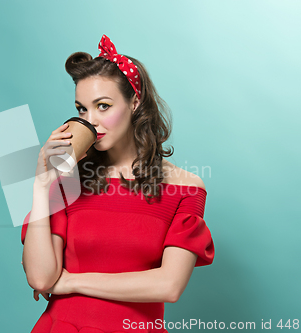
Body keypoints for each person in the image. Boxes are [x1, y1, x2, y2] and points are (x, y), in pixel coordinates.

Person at [20, 34, 215, 333]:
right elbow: (41, 279)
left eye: (103, 106)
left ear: (134, 102)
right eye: (82, 109)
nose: (91, 121)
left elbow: (169, 285)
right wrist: (40, 183)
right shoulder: (68, 181)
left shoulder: (186, 187)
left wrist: (71, 281)